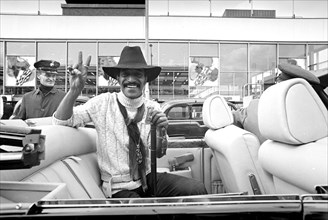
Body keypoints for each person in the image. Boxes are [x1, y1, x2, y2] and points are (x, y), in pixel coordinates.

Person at [53, 46, 208, 198]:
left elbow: (160, 153)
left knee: (197, 189)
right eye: (125, 74)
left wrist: (160, 131)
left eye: (137, 74)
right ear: (118, 78)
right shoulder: (102, 103)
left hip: (148, 178)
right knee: (146, 212)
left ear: (145, 79)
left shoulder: (152, 107)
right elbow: (62, 121)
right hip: (118, 187)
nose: (131, 79)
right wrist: (74, 90)